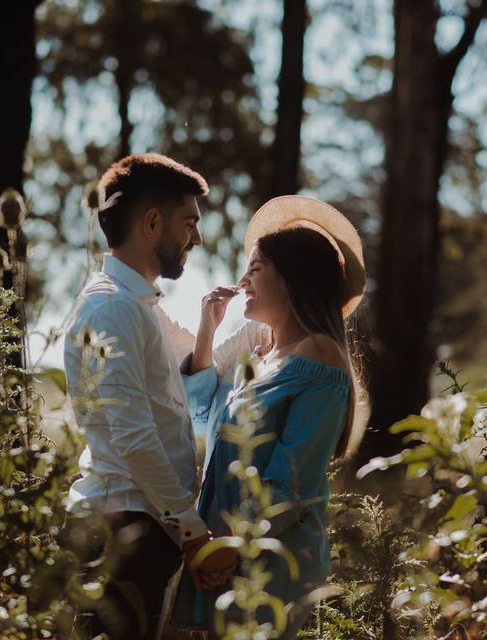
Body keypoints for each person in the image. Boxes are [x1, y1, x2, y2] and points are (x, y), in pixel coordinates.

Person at [172, 195, 366, 639]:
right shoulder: (262, 358)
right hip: (226, 560)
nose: (243, 280)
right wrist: (207, 330)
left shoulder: (320, 358)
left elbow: (292, 482)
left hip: (271, 569)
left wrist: (230, 547)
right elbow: (200, 420)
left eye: (255, 268)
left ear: (292, 276)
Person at [63, 153, 237, 640]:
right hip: (122, 531)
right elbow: (134, 436)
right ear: (152, 222)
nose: (196, 238)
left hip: (141, 527)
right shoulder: (112, 308)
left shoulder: (138, 308)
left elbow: (199, 367)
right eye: (189, 223)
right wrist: (193, 532)